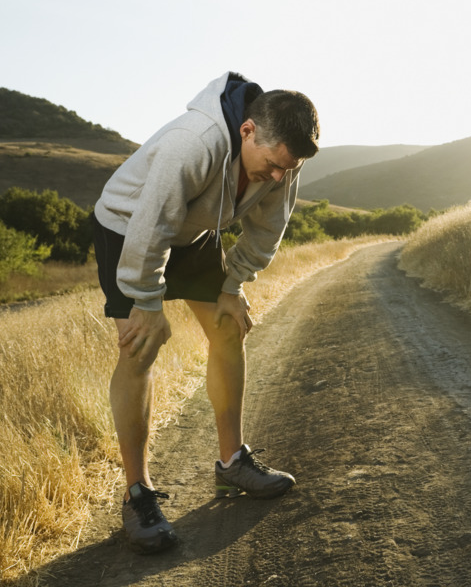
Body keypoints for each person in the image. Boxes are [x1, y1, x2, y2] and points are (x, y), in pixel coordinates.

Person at [91, 71, 320, 553]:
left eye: (289, 168)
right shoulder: (191, 144)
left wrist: (233, 286)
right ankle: (138, 495)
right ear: (247, 132)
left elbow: (267, 229)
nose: (279, 177)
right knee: (141, 348)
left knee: (228, 328)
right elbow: (151, 224)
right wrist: (147, 303)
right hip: (129, 227)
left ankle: (232, 462)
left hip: (194, 231)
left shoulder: (283, 161)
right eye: (275, 165)